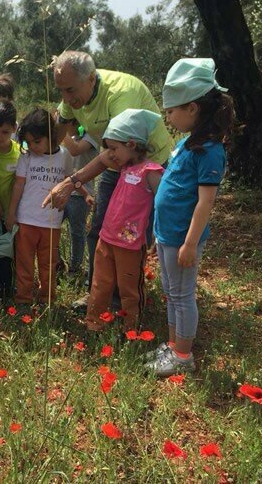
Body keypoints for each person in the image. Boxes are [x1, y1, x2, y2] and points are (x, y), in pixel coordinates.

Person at [46, 51, 174, 309]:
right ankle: (98, 292)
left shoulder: (120, 94)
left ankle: (127, 298)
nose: (66, 98)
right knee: (100, 231)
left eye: (70, 90)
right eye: (61, 91)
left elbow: (118, 155)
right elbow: (58, 130)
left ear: (91, 78)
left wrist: (72, 181)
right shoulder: (71, 95)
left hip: (147, 167)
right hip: (115, 162)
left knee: (132, 237)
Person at [143, 58, 233, 377]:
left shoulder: (210, 150)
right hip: (168, 235)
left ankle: (183, 355)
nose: (168, 117)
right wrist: (157, 234)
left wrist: (191, 243)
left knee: (182, 294)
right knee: (170, 292)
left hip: (184, 239)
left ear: (192, 109)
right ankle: (172, 345)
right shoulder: (185, 144)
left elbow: (205, 203)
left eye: (172, 111)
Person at [86, 110, 164, 334]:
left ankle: (131, 328)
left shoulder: (151, 172)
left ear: (131, 143)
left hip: (130, 244)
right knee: (101, 283)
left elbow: (162, 203)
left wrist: (158, 234)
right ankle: (94, 323)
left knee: (129, 287)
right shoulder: (123, 167)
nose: (110, 154)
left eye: (113, 148)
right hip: (107, 237)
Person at [6, 108, 87, 308]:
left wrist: (87, 194)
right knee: (24, 263)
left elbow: (72, 179)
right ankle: (23, 299)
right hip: (26, 220)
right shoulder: (26, 157)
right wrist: (11, 212)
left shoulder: (65, 155)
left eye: (37, 141)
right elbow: (19, 185)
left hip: (52, 222)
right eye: (28, 142)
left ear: (50, 136)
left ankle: (46, 300)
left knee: (48, 264)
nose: (33, 146)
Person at [0, 98, 20, 299]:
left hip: (11, 216)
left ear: (14, 128)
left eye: (5, 132)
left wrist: (11, 212)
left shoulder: (20, 153)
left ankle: (7, 290)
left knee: (8, 253)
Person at [60, 124, 97, 279]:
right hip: (64, 190)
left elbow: (75, 149)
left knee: (76, 232)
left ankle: (75, 269)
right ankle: (58, 263)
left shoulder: (91, 136)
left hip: (81, 195)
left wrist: (59, 127)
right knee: (51, 228)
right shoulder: (71, 137)